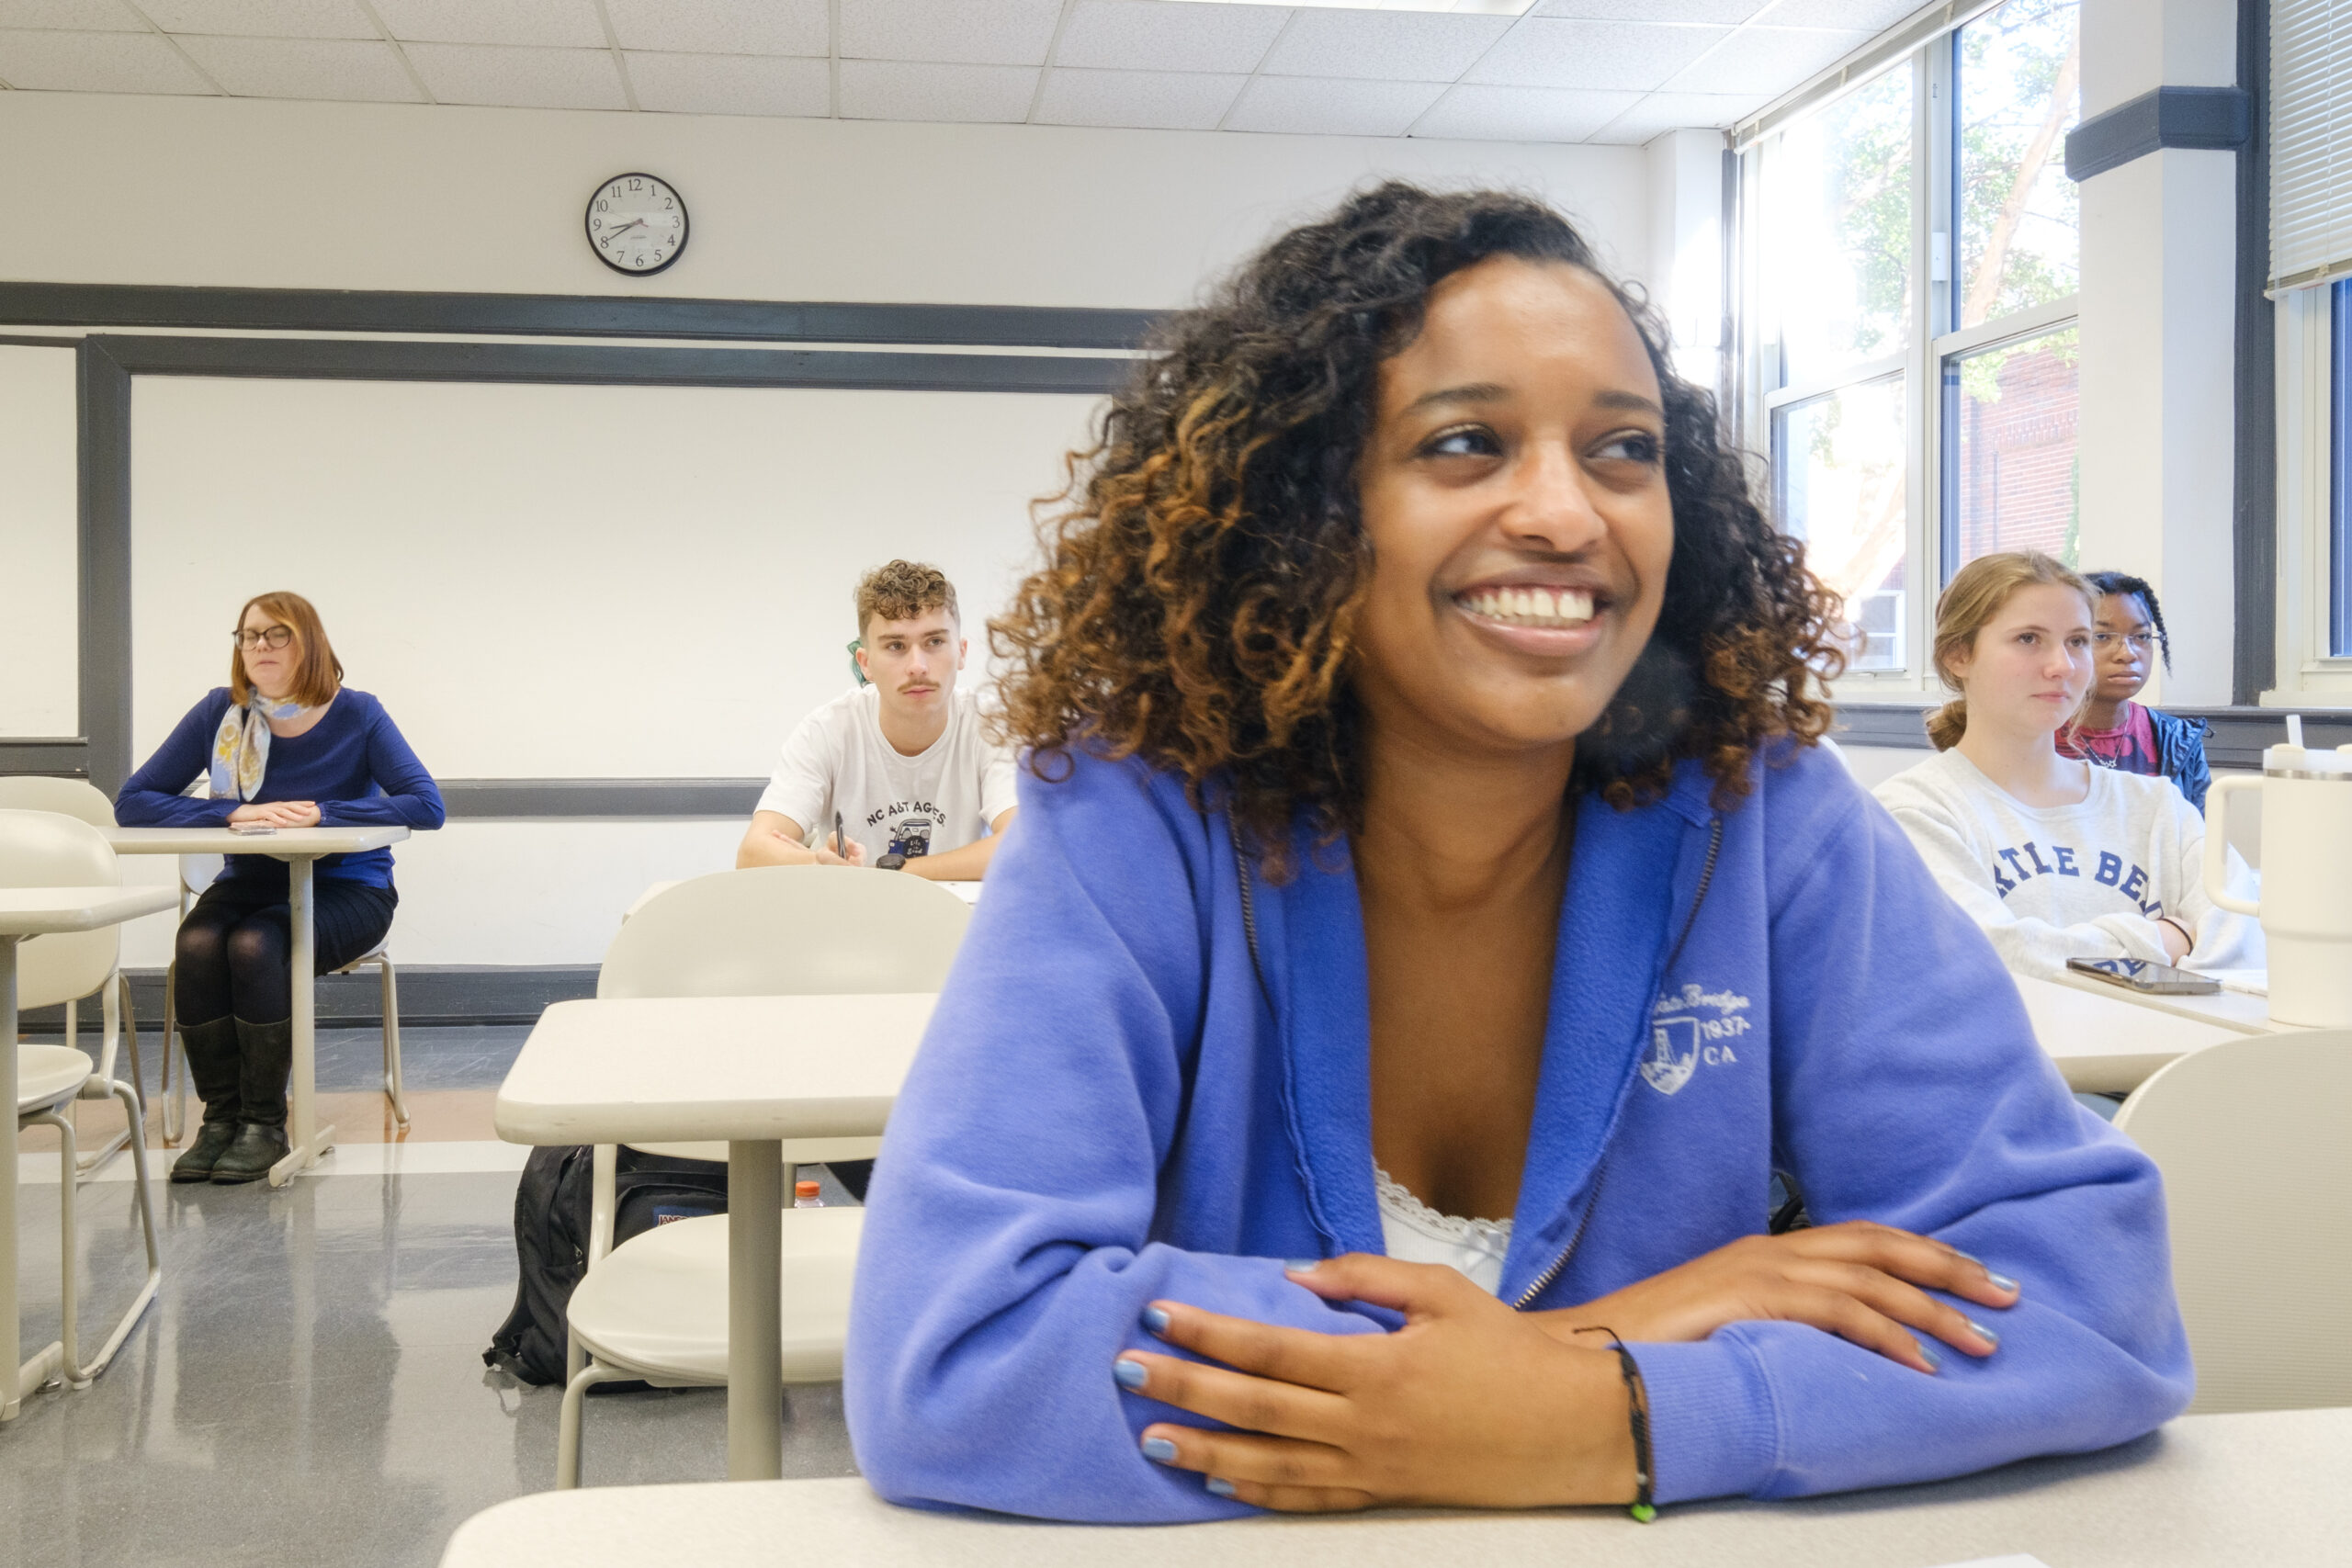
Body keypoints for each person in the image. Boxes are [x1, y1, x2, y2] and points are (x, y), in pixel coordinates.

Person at [843, 186, 2190, 1524]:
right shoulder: (1139, 812)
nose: (1565, 512)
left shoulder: (1769, 815)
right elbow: (957, 1352)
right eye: (1468, 442)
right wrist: (1594, 1349)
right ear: (1307, 504)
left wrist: (1624, 1418)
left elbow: (2085, 1293)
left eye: (1622, 450)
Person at [117, 592, 444, 1184]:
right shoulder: (222, 711)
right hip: (249, 881)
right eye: (248, 636)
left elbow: (426, 805)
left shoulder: (359, 714)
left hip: (348, 891)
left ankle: (265, 1126)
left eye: (276, 634)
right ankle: (220, 1121)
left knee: (254, 945)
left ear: (308, 643)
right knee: (196, 943)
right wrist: (228, 816)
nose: (259, 646)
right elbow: (134, 801)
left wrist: (327, 813)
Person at [1873, 553, 2259, 984]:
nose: (2063, 666)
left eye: (2077, 641)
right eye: (2028, 639)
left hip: (2176, 1051)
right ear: (1957, 655)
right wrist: (2159, 941)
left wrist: (2072, 957)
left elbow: (2242, 941)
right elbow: (1986, 956)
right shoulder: (1914, 811)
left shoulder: (2157, 806)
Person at [735, 560, 1016, 880]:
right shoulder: (827, 730)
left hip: (957, 919)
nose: (918, 666)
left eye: (934, 642)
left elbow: (1022, 846)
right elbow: (752, 853)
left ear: (962, 651)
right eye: (896, 646)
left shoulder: (993, 725)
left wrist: (881, 874)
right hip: (853, 920)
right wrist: (820, 864)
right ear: (865, 664)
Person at [2054, 570, 2212, 811]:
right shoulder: (2034, 735)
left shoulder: (2177, 740)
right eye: (2103, 636)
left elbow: (2201, 841)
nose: (2127, 653)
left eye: (2141, 636)